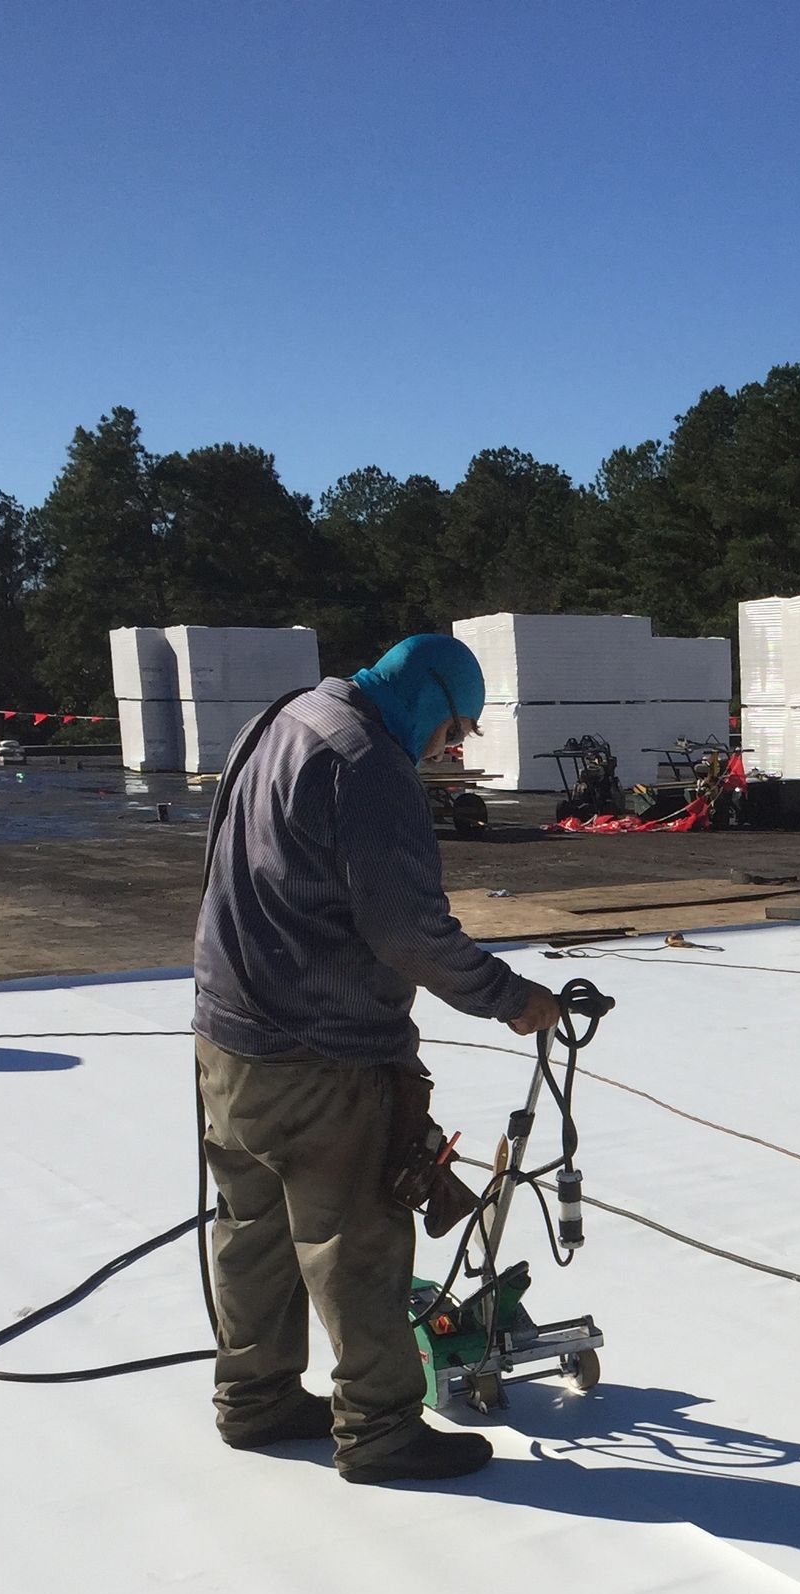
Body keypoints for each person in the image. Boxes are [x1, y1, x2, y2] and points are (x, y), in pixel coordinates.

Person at [192, 632, 560, 1485]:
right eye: (455, 729)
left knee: (252, 1230)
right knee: (354, 1238)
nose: (452, 749)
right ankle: (381, 1432)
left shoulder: (282, 718)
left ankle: (254, 1401)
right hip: (322, 1055)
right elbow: (406, 929)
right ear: (427, 698)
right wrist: (511, 997)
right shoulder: (370, 765)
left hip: (227, 1040)